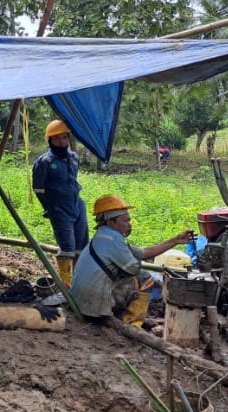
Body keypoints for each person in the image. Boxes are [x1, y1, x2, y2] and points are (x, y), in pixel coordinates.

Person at [70, 194, 192, 326]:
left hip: (81, 301)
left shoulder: (104, 236)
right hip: (92, 305)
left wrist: (176, 240)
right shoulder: (114, 240)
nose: (129, 225)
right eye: (125, 221)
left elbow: (144, 253)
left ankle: (124, 316)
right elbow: (133, 268)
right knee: (145, 278)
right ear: (111, 221)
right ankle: (131, 323)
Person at [32, 119, 88, 287]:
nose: (61, 142)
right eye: (57, 139)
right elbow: (39, 190)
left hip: (77, 205)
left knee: (81, 246)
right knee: (67, 248)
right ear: (50, 141)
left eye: (64, 138)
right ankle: (66, 285)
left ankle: (79, 282)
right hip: (59, 208)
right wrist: (49, 209)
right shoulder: (44, 163)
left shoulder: (74, 158)